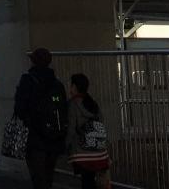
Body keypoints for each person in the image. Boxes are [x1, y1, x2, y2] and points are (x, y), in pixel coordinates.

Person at [12, 47, 66, 189]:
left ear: (33, 61)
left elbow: (19, 108)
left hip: (34, 136)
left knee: (38, 177)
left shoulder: (27, 80)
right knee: (48, 175)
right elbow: (64, 110)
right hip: (54, 136)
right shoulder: (57, 84)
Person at [66, 73, 109, 189]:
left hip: (82, 152)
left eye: (71, 85)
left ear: (74, 87)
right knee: (90, 180)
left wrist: (65, 145)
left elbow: (71, 129)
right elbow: (101, 123)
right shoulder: (92, 103)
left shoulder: (73, 104)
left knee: (86, 181)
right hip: (98, 151)